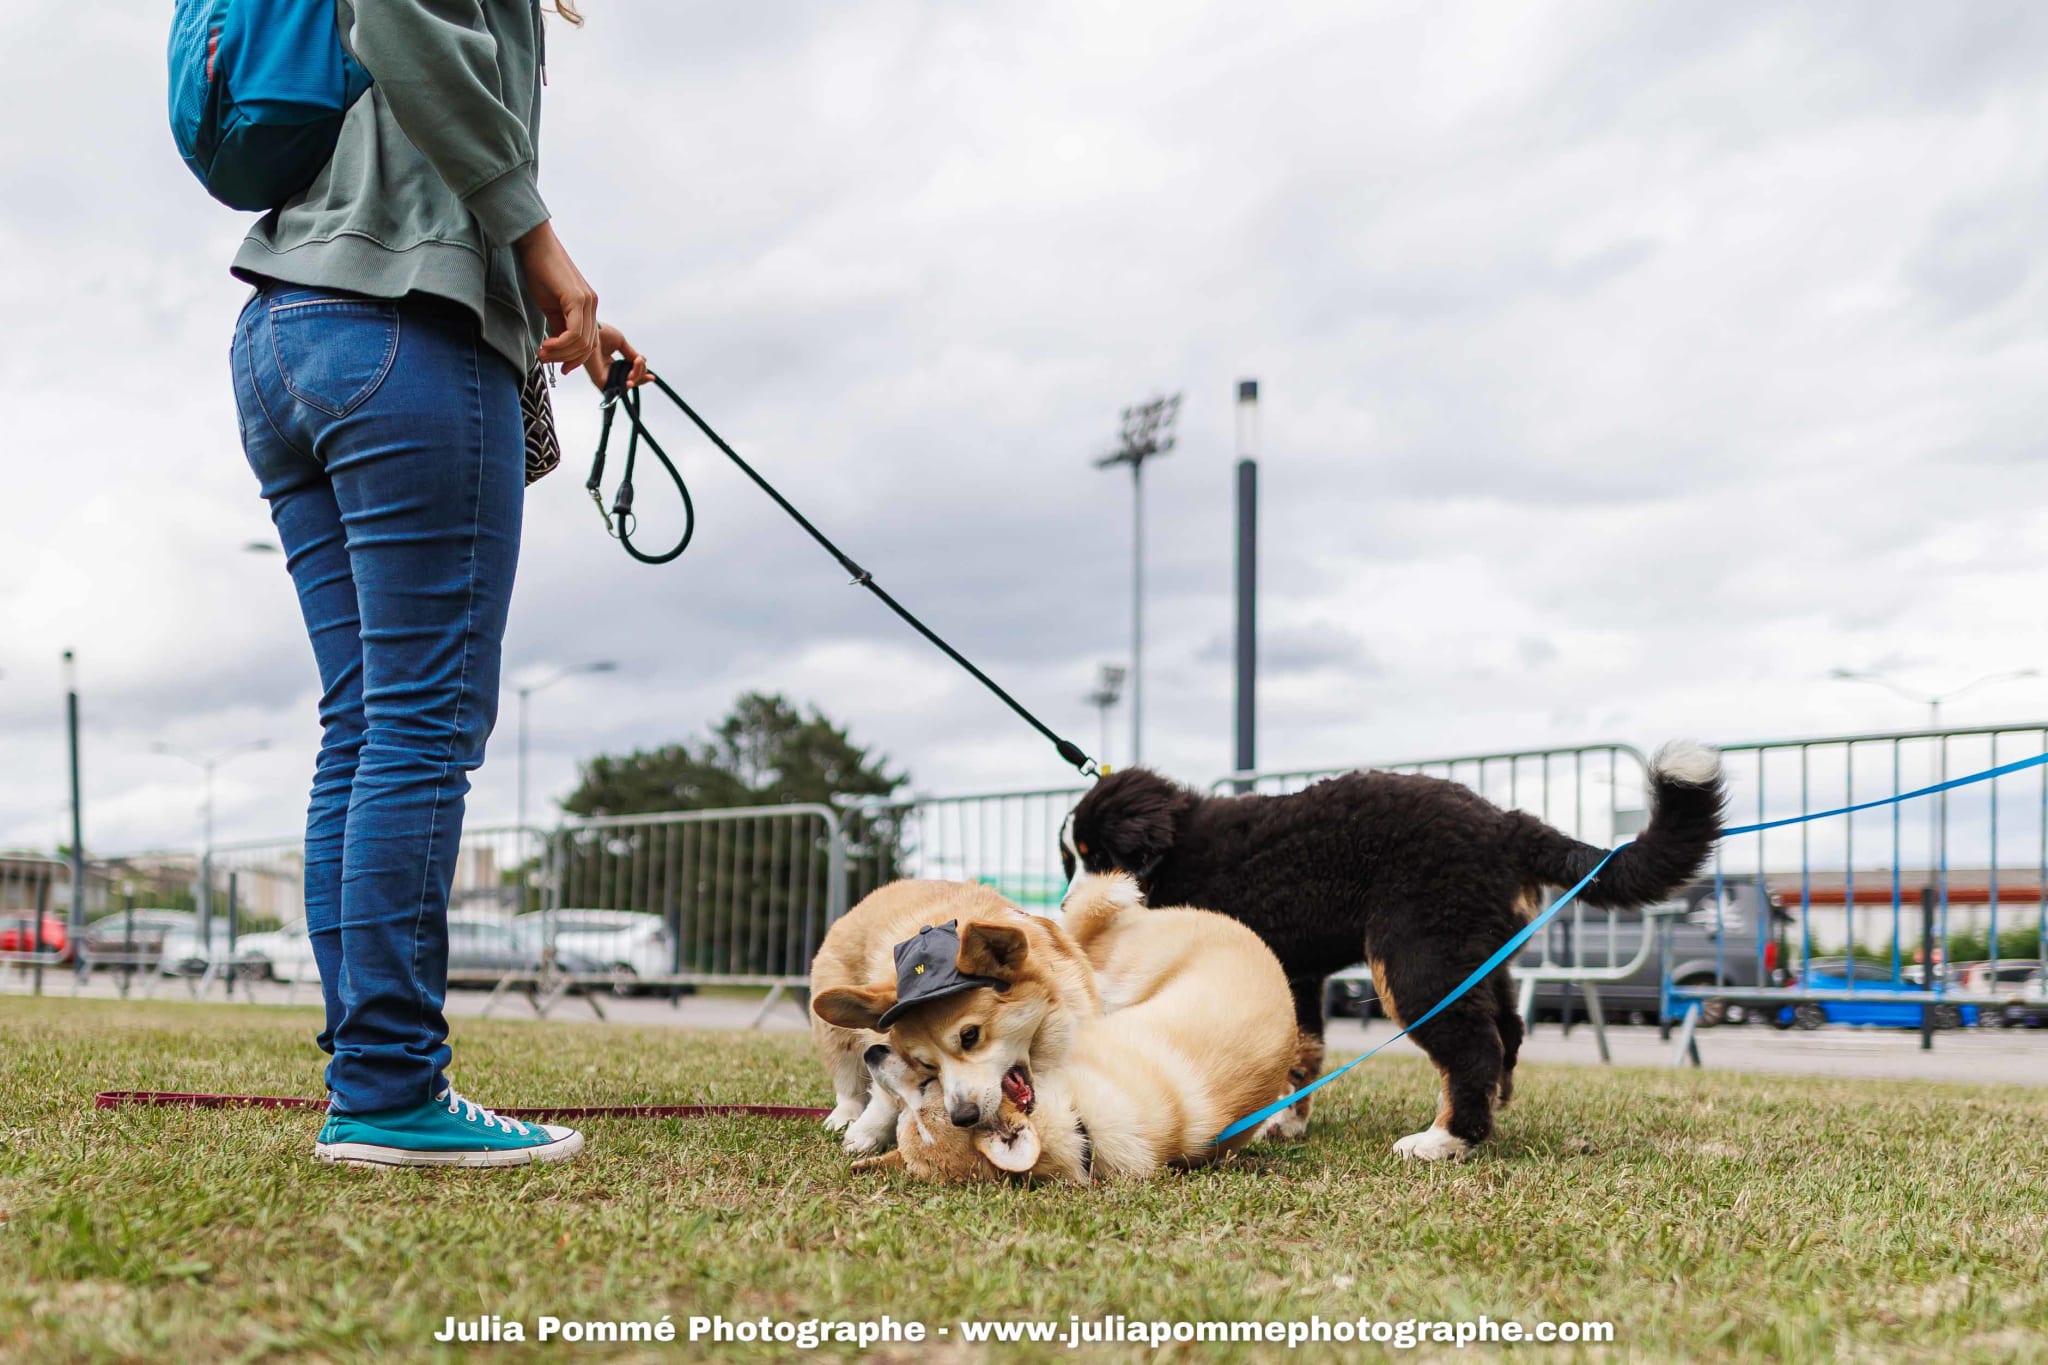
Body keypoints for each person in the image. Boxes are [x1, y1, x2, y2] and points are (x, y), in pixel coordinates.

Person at [227, 0, 644, 1167]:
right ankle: (388, 1090)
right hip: (403, 334)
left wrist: (567, 318)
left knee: (364, 726)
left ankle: (373, 1079)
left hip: (287, 333)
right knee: (417, 723)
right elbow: (403, 31)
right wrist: (542, 247)